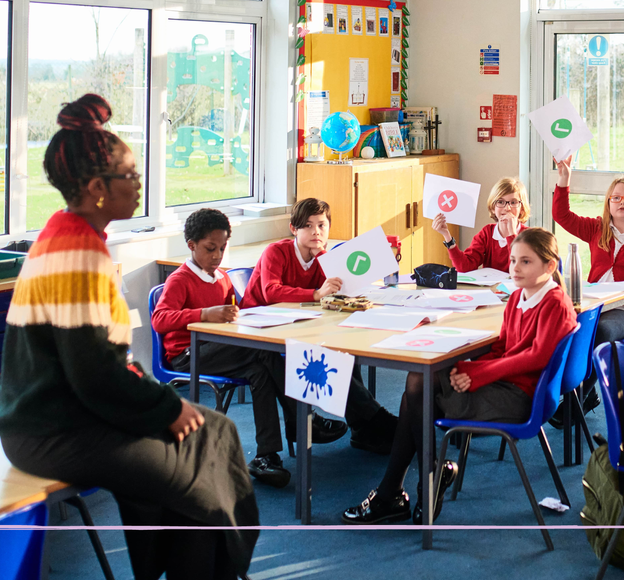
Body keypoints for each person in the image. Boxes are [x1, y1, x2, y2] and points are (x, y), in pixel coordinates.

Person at [0, 94, 257, 580]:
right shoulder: (77, 251)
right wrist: (167, 407)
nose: (138, 185)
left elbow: (102, 362)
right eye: (130, 177)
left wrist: (161, 406)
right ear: (96, 188)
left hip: (63, 417)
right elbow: (95, 373)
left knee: (211, 439)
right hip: (53, 430)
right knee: (208, 456)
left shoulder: (69, 234)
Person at [342, 227, 577, 526]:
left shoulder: (554, 302)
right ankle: (421, 477)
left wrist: (477, 373)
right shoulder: (518, 296)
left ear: (550, 266)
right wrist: (468, 369)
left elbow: (535, 357)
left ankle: (402, 488)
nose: (515, 268)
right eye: (513, 260)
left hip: (520, 398)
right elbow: (503, 348)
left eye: (526, 262)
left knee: (419, 395)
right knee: (419, 380)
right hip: (503, 383)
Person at [153, 207, 319, 488]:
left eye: (222, 248)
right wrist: (204, 314)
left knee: (260, 370)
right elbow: (159, 319)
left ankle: (266, 456)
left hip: (222, 347)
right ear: (192, 246)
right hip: (188, 354)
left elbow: (236, 312)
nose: (217, 256)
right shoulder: (180, 279)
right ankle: (303, 419)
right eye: (210, 249)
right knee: (263, 352)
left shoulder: (222, 277)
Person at [239, 198, 397, 453]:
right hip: (261, 324)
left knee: (342, 351)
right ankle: (375, 419)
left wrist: (323, 257)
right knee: (329, 355)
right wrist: (315, 294)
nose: (316, 232)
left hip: (297, 322)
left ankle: (363, 428)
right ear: (294, 229)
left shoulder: (321, 255)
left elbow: (340, 287)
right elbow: (270, 292)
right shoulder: (276, 252)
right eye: (308, 226)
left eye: (322, 226)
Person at [551, 155, 624, 421]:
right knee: (561, 328)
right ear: (608, 203)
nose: (622, 202)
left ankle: (575, 400)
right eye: (616, 198)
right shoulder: (597, 229)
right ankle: (574, 392)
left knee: (598, 333)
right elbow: (562, 216)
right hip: (591, 303)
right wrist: (564, 180)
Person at [431, 177, 528, 272]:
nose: (507, 208)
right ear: (493, 208)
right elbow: (464, 267)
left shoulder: (530, 236)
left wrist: (512, 234)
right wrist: (447, 236)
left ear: (522, 208)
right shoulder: (487, 233)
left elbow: (520, 269)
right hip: (491, 287)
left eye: (513, 202)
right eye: (501, 202)